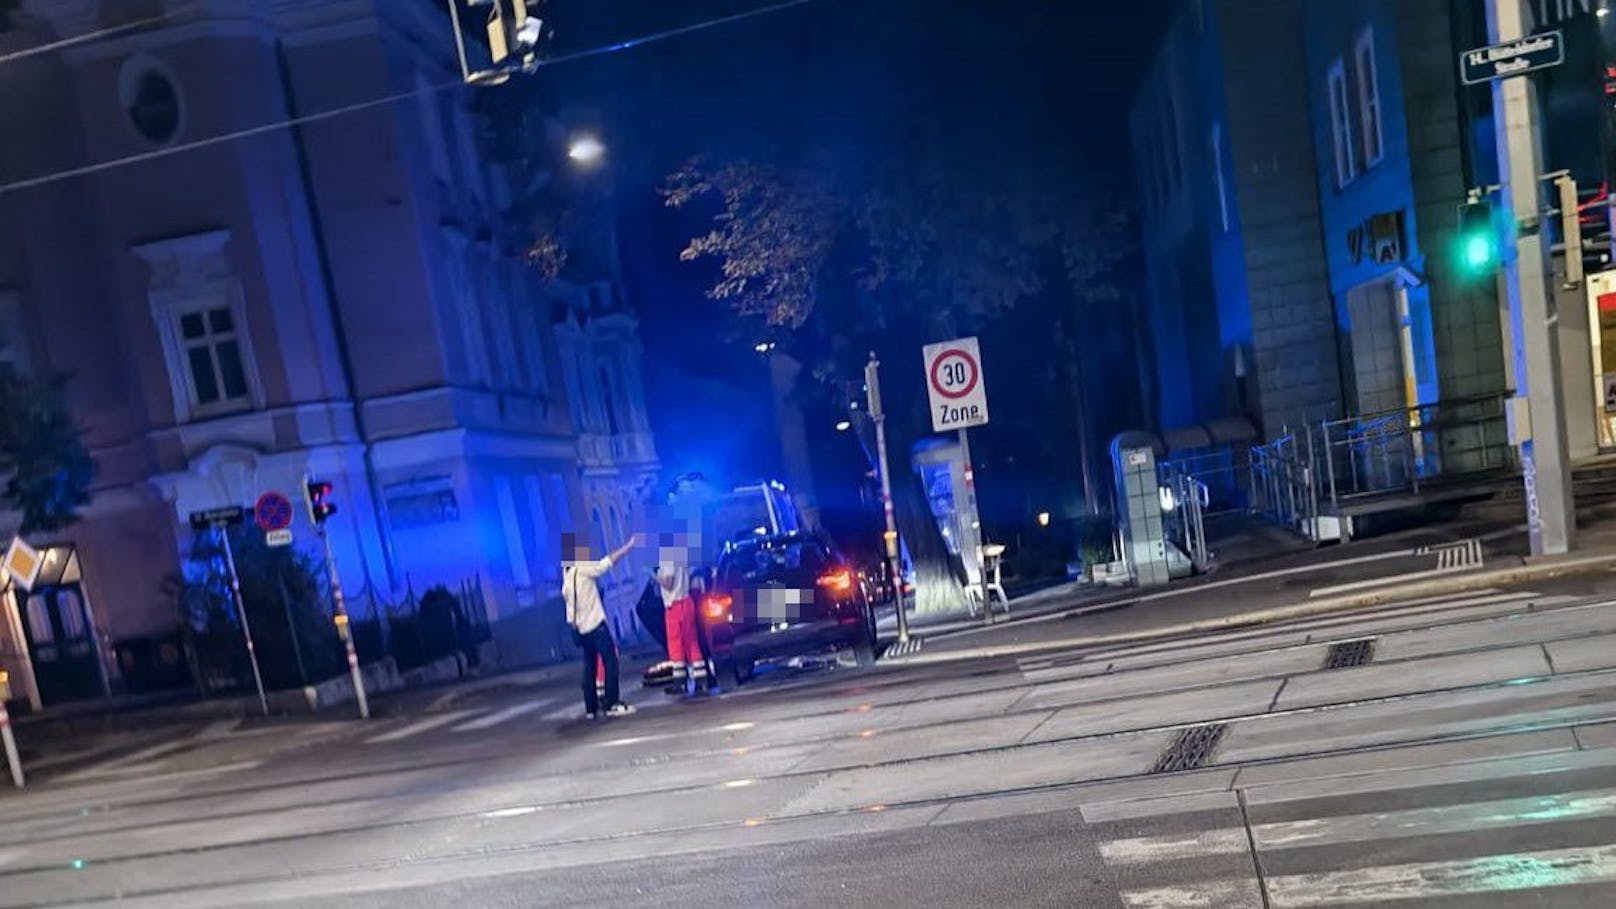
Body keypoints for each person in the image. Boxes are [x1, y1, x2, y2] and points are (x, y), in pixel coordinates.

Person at [562, 532, 640, 719]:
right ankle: (611, 702)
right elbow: (605, 564)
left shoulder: (567, 577)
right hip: (596, 626)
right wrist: (627, 547)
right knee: (610, 660)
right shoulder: (582, 569)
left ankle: (591, 708)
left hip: (581, 630)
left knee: (590, 666)